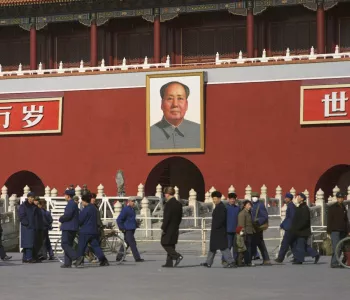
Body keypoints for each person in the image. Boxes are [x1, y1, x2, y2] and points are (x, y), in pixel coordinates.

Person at [150, 81, 201, 149]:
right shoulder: (149, 134)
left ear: (186, 105)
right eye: (170, 98)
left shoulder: (200, 131)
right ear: (162, 104)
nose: (175, 104)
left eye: (180, 98)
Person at [201, 191, 236, 268]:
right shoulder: (218, 206)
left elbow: (222, 219)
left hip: (219, 231)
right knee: (212, 248)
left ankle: (231, 261)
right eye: (213, 199)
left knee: (223, 247)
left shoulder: (221, 207)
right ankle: (208, 262)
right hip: (216, 231)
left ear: (219, 198)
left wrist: (216, 227)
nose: (214, 200)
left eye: (215, 199)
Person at [75, 194, 109, 267]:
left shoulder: (85, 209)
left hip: (85, 231)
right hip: (94, 231)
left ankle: (79, 260)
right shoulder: (94, 208)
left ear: (84, 201)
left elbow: (80, 220)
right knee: (96, 246)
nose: (82, 203)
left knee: (81, 246)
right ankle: (103, 260)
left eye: (82, 201)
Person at [290, 193, 319, 265]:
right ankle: (315, 254)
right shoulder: (299, 207)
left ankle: (299, 259)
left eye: (298, 197)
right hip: (298, 230)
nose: (297, 198)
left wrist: (298, 228)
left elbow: (305, 221)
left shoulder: (305, 208)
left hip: (303, 231)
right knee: (303, 245)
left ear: (302, 199)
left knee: (300, 245)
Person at [160, 186, 183, 268]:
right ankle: (169, 263)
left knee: (164, 243)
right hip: (175, 227)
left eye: (165, 194)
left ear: (167, 194)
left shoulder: (169, 204)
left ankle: (177, 256)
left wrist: (163, 228)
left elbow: (167, 218)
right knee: (171, 244)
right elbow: (180, 217)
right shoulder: (178, 204)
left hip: (169, 227)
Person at [116, 197, 144, 262]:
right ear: (129, 202)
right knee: (132, 243)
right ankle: (137, 258)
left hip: (131, 229)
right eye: (132, 201)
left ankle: (119, 257)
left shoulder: (132, 209)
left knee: (126, 243)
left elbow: (131, 219)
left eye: (134, 201)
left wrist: (136, 224)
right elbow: (119, 219)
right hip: (127, 229)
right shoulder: (126, 209)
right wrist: (122, 228)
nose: (134, 202)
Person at [327, 191, 350, 268]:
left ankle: (341, 262)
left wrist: (348, 230)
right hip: (335, 230)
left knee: (343, 246)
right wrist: (328, 231)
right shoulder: (332, 207)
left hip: (343, 230)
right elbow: (329, 220)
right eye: (339, 198)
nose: (341, 199)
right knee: (336, 246)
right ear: (337, 198)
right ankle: (334, 263)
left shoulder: (344, 207)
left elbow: (346, 220)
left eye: (342, 198)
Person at [59, 189, 79, 268]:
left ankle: (76, 256)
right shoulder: (73, 204)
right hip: (72, 227)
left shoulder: (70, 204)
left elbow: (68, 216)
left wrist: (61, 218)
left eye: (65, 195)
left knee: (64, 244)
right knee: (69, 244)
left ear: (68, 196)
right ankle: (67, 262)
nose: (64, 196)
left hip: (68, 227)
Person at [251, 192, 271, 265]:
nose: (254, 198)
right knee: (256, 242)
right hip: (251, 226)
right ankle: (264, 258)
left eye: (255, 196)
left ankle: (266, 258)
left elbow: (265, 216)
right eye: (253, 196)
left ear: (258, 197)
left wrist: (258, 221)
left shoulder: (261, 205)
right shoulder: (250, 205)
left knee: (259, 243)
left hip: (258, 227)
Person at [275, 193, 296, 263]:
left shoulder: (291, 206)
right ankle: (297, 257)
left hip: (290, 228)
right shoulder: (290, 206)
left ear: (289, 199)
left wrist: (284, 225)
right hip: (290, 228)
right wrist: (282, 225)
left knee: (285, 243)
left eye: (286, 198)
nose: (285, 199)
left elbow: (290, 218)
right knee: (292, 244)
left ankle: (280, 258)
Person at [18, 192, 38, 263]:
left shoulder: (34, 206)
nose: (32, 199)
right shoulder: (23, 206)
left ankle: (25, 258)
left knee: (29, 243)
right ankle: (29, 258)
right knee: (28, 244)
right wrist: (27, 223)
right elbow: (21, 216)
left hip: (32, 227)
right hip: (27, 227)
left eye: (33, 198)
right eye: (31, 197)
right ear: (28, 197)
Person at [221, 192, 240, 265]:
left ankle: (235, 260)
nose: (232, 200)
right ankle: (224, 259)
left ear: (235, 200)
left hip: (236, 230)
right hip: (227, 231)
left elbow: (239, 220)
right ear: (228, 199)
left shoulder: (238, 208)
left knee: (236, 247)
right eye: (231, 199)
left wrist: (239, 230)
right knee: (228, 246)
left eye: (233, 199)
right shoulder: (225, 208)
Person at [237, 200, 255, 266]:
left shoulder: (249, 212)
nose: (250, 206)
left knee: (248, 248)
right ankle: (242, 262)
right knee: (243, 248)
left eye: (250, 205)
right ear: (244, 206)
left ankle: (247, 261)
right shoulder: (242, 213)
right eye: (248, 205)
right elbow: (241, 225)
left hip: (249, 232)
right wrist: (242, 235)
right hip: (245, 233)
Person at [33, 196, 44, 261]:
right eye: (36, 200)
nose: (37, 202)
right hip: (35, 228)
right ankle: (35, 256)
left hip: (40, 227)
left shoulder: (38, 209)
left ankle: (38, 256)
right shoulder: (33, 208)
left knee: (39, 243)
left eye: (38, 201)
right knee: (35, 243)